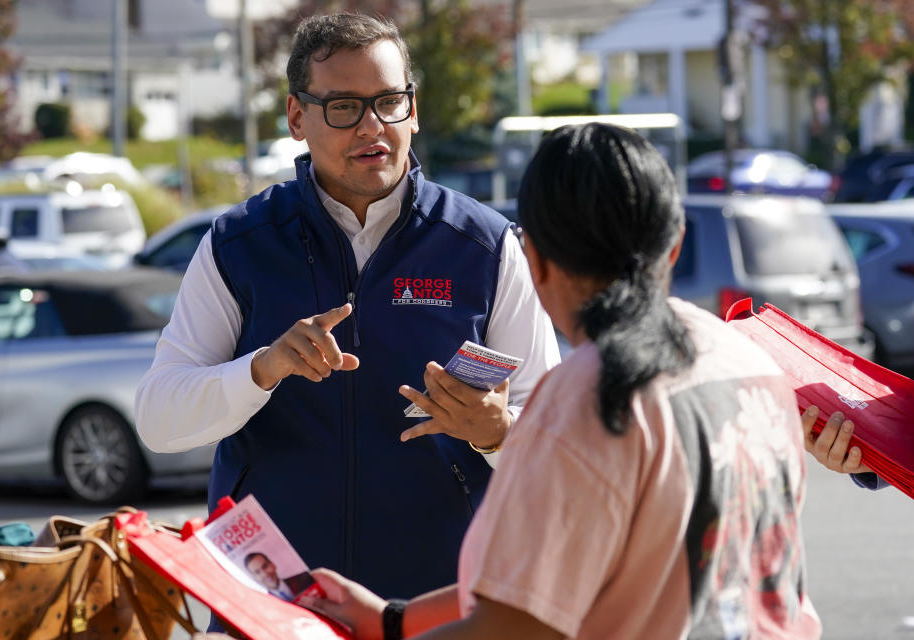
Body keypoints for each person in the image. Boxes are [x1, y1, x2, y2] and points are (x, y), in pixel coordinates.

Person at [304, 123, 822, 639]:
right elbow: (547, 582)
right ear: (674, 245)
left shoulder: (590, 395)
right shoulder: (749, 364)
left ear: (536, 262)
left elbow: (516, 624)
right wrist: (393, 620)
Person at [134, 12, 559, 600]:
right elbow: (159, 419)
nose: (371, 126)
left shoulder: (485, 247)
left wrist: (497, 433)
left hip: (438, 606)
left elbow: (559, 446)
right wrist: (263, 369)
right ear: (296, 118)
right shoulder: (238, 244)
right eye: (343, 107)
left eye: (389, 101)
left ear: (413, 108)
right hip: (273, 602)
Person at [243, 552, 312, 601]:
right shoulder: (265, 603)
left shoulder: (303, 578)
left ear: (273, 564)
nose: (265, 574)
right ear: (254, 578)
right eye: (257, 572)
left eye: (265, 566)